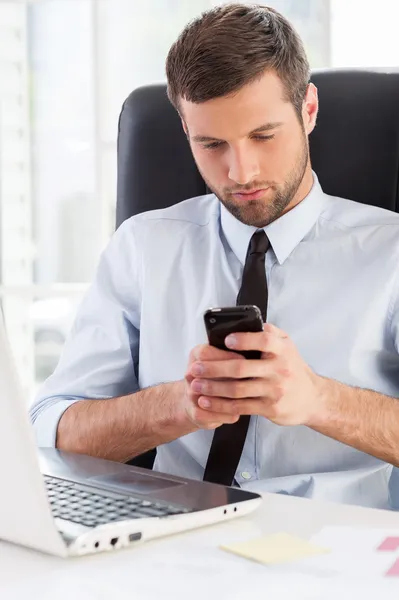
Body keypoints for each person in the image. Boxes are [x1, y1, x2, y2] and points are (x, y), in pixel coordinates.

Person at [31, 3, 399, 510]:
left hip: (340, 552)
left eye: (264, 136)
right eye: (211, 144)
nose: (241, 172)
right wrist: (179, 406)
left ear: (308, 110)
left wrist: (320, 401)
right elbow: (51, 429)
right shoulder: (143, 247)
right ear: (185, 131)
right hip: (174, 544)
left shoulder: (391, 252)